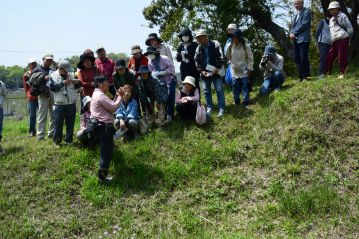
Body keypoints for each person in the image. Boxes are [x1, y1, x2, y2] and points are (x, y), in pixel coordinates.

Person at [91, 75, 123, 184]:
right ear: (100, 84)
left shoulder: (97, 94)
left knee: (105, 152)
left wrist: (116, 97)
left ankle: (103, 176)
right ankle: (102, 178)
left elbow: (110, 105)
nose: (108, 85)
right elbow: (113, 108)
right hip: (103, 128)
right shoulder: (101, 96)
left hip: (99, 127)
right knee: (106, 153)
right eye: (106, 83)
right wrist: (120, 96)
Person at [194, 29, 225, 117]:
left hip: (216, 72)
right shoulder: (199, 48)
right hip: (205, 73)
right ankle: (209, 108)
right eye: (197, 38)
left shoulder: (215, 44)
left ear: (205, 36)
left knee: (219, 90)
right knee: (206, 91)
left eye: (200, 37)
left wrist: (217, 68)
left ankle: (221, 108)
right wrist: (201, 71)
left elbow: (221, 57)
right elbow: (196, 61)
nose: (198, 40)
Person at [49, 60, 81, 146]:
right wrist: (62, 83)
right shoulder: (53, 76)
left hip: (71, 103)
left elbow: (78, 87)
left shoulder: (72, 74)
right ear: (60, 68)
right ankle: (57, 141)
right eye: (66, 70)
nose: (68, 71)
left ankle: (69, 140)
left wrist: (77, 83)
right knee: (58, 124)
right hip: (59, 104)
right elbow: (52, 88)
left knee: (70, 123)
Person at [146, 46, 176, 123]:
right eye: (148, 54)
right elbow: (150, 73)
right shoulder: (150, 62)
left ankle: (170, 115)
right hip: (160, 84)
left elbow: (172, 67)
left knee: (170, 97)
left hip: (169, 80)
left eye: (151, 53)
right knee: (163, 99)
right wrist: (154, 74)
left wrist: (165, 72)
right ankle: (164, 115)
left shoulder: (164, 58)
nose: (150, 55)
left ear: (155, 53)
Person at [225, 29, 254, 107]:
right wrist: (228, 47)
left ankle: (246, 101)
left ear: (239, 37)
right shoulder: (230, 45)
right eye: (232, 37)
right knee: (235, 85)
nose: (233, 39)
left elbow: (250, 57)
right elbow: (227, 56)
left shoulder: (245, 45)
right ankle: (236, 100)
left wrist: (250, 68)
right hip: (234, 69)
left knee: (245, 85)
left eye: (235, 37)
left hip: (244, 69)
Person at [325, 1, 353, 79]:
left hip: (343, 38)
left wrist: (348, 39)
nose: (332, 11)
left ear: (338, 9)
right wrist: (332, 40)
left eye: (333, 9)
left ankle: (342, 73)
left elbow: (350, 28)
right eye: (330, 9)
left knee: (341, 56)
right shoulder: (331, 20)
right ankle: (327, 73)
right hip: (334, 41)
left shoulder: (343, 16)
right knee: (329, 57)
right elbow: (331, 32)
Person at [290, 0, 312, 81]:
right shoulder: (296, 15)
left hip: (303, 39)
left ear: (302, 3)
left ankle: (306, 76)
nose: (295, 5)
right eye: (294, 4)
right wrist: (291, 33)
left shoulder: (307, 12)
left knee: (304, 58)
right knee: (298, 59)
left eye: (297, 4)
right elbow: (292, 26)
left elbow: (304, 24)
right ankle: (301, 76)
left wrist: (294, 33)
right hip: (296, 39)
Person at [35, 54, 55, 140]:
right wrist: (43, 78)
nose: (49, 61)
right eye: (47, 60)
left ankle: (52, 133)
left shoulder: (52, 70)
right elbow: (32, 81)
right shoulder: (37, 69)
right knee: (42, 115)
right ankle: (40, 135)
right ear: (43, 59)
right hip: (42, 94)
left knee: (53, 115)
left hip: (52, 93)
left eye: (51, 60)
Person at [23, 58, 38, 137]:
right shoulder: (26, 75)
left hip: (40, 97)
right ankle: (32, 131)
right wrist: (28, 95)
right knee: (32, 115)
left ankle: (40, 130)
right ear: (29, 65)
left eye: (34, 63)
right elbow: (26, 87)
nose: (33, 65)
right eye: (32, 63)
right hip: (31, 97)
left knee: (42, 115)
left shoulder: (40, 72)